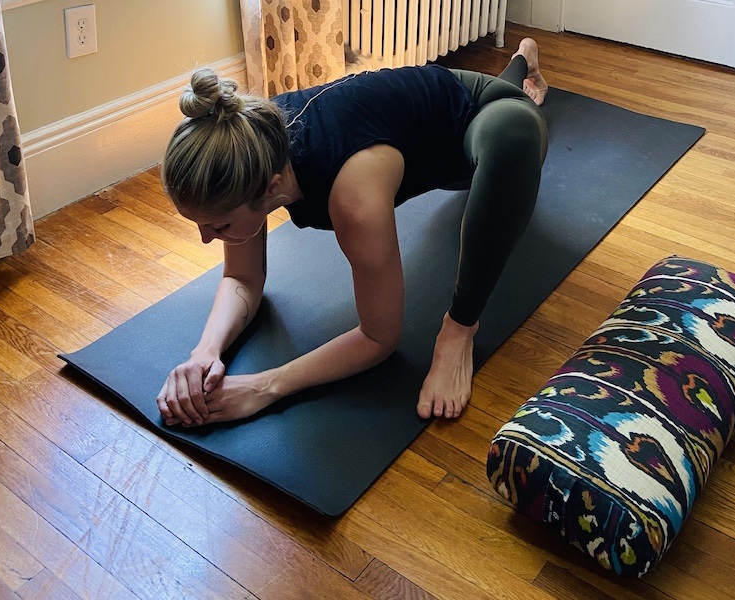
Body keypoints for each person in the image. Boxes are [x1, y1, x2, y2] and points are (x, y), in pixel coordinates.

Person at [156, 38, 549, 427]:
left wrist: (265, 387)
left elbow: (379, 338)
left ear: (272, 187)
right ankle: (523, 58)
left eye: (218, 226)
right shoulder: (252, 150)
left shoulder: (352, 195)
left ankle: (459, 330)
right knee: (504, 103)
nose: (207, 239)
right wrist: (205, 353)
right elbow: (242, 277)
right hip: (418, 120)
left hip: (476, 115)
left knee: (513, 134)